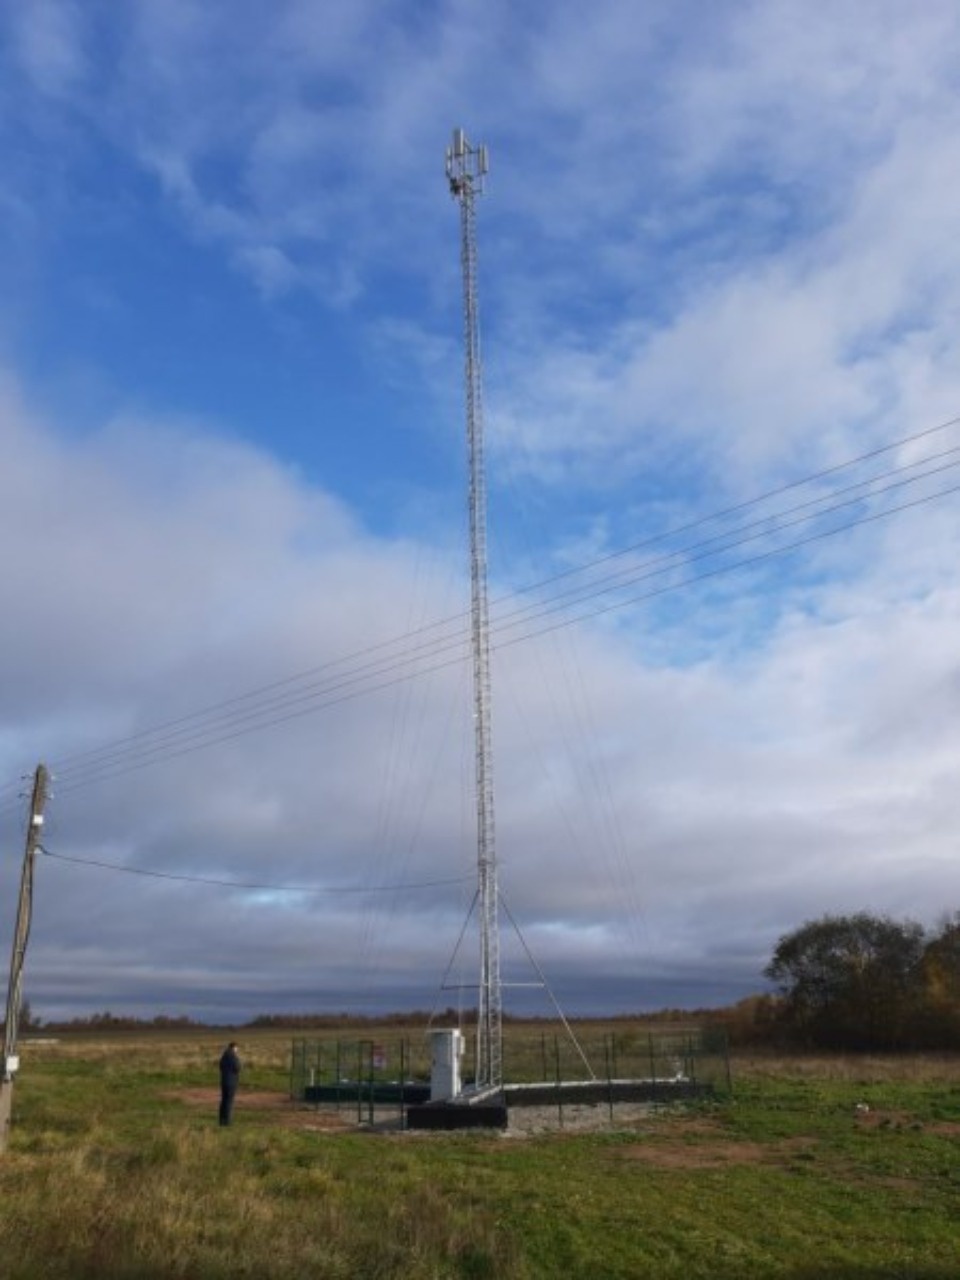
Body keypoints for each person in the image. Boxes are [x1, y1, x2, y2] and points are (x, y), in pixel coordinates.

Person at [218, 1041, 241, 1126]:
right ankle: (227, 1122)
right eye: (236, 1048)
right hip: (231, 1082)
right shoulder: (233, 1057)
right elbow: (238, 1067)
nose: (237, 1050)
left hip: (224, 1081)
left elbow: (220, 1067)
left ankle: (221, 1120)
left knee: (223, 1101)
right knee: (229, 1102)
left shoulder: (223, 1056)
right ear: (234, 1047)